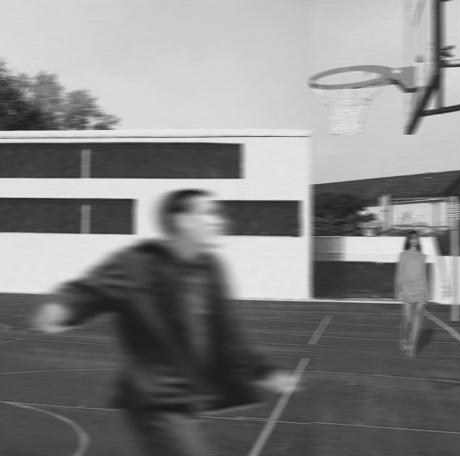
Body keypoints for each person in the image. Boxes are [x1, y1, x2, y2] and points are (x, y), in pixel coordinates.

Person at [31, 189, 299, 456]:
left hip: (188, 396)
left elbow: (226, 332)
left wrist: (263, 372)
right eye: (209, 213)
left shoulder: (209, 268)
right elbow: (92, 290)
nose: (219, 221)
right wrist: (63, 308)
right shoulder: (139, 262)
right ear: (182, 221)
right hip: (155, 397)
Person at [394, 230, 429, 357]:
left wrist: (426, 294)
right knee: (407, 319)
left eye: (416, 238)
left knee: (417, 319)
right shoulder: (403, 255)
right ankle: (405, 338)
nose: (415, 240)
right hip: (407, 289)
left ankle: (412, 344)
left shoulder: (422, 256)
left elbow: (423, 275)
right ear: (408, 240)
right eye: (412, 238)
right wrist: (398, 290)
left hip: (419, 290)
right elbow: (399, 273)